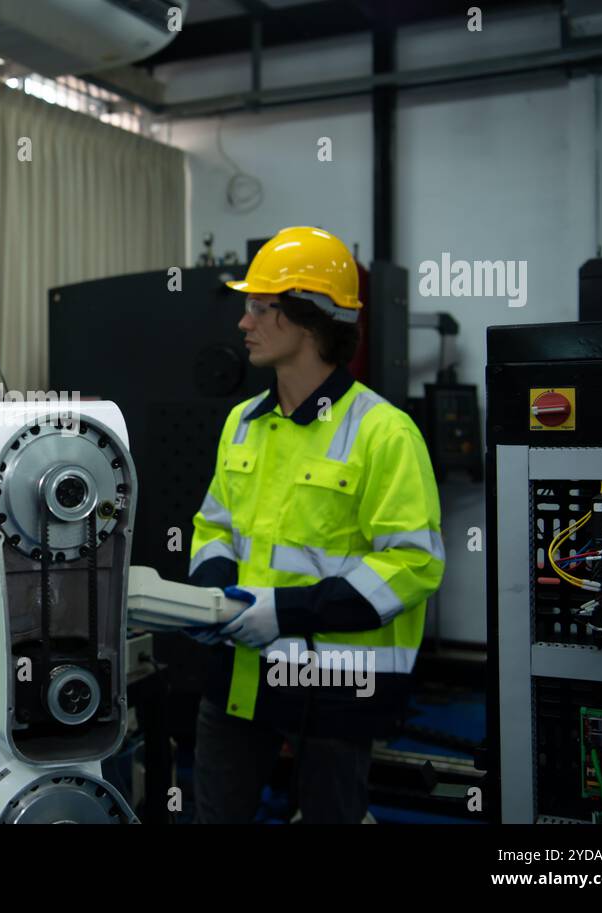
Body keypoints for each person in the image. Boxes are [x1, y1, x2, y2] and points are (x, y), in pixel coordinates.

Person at [186, 226, 444, 823]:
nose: (243, 323)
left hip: (337, 687)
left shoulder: (385, 433)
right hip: (240, 674)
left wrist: (285, 612)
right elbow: (213, 525)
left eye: (261, 308)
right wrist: (214, 597)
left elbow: (413, 564)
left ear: (309, 319)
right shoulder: (242, 423)